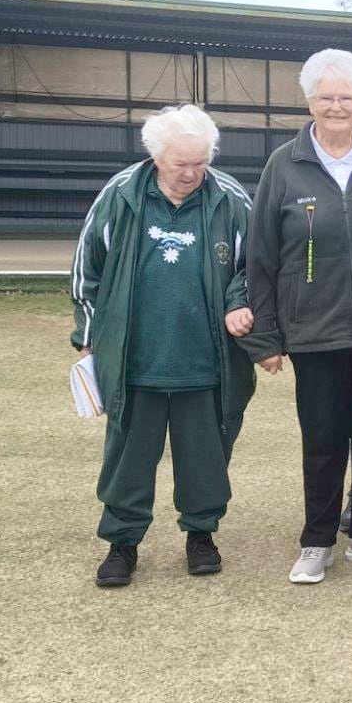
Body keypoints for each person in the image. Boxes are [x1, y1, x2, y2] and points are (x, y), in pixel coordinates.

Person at [241, 49, 352, 585]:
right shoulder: (283, 165)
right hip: (312, 332)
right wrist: (266, 336)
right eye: (326, 97)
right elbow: (261, 256)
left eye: (347, 97)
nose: (337, 106)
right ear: (309, 101)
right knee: (322, 438)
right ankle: (316, 540)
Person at [70, 105, 255, 588]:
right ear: (156, 157)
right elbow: (87, 269)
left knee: (206, 457)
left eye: (201, 162)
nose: (192, 173)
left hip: (207, 361)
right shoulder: (120, 195)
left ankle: (201, 534)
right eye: (180, 164)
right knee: (128, 458)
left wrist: (239, 302)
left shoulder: (231, 198)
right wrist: (88, 338)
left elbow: (256, 268)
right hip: (135, 360)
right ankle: (122, 542)